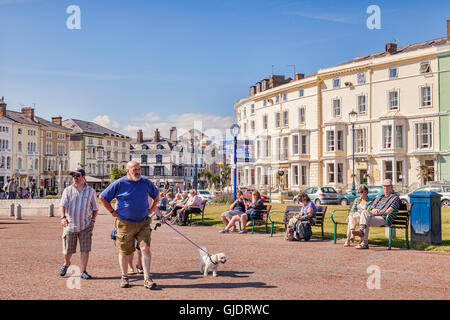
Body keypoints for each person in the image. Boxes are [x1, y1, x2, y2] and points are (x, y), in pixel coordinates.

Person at [99, 161, 161, 289]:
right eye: (135, 170)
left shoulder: (146, 182)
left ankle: (147, 279)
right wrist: (112, 212)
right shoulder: (120, 183)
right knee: (124, 251)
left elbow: (157, 195)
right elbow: (103, 197)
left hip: (143, 222)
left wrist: (151, 209)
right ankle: (124, 276)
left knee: (145, 249)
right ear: (127, 171)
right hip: (125, 223)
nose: (138, 172)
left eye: (139, 169)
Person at [59, 168, 99, 280]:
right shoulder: (67, 190)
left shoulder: (90, 191)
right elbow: (62, 205)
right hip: (70, 224)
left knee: (85, 249)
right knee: (67, 250)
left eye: (78, 176)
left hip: (85, 225)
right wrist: (63, 217)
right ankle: (66, 263)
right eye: (74, 176)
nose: (75, 178)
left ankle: (84, 271)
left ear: (83, 177)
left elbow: (95, 208)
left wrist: (92, 221)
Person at [352, 179, 401, 249]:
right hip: (374, 216)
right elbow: (371, 207)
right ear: (382, 187)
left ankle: (363, 241)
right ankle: (361, 231)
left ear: (391, 187)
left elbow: (389, 211)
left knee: (366, 219)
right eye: (384, 186)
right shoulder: (380, 197)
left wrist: (378, 212)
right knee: (365, 212)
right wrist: (373, 210)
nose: (386, 188)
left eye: (388, 186)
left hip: (385, 218)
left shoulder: (395, 198)